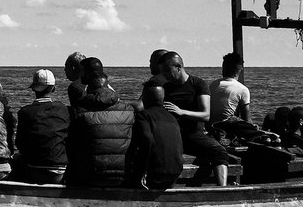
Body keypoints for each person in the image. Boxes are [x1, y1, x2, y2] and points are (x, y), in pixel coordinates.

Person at [159, 51, 231, 186]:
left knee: (219, 152)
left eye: (168, 72)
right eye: (163, 73)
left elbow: (205, 115)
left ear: (179, 67)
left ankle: (222, 189)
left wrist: (181, 112)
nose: (166, 76)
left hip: (193, 135)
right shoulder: (166, 88)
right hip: (172, 135)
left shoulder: (198, 84)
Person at [64, 57, 135, 187]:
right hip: (123, 174)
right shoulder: (128, 110)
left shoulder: (79, 109)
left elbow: (72, 145)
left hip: (90, 175)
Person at [124, 85, 184, 190]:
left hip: (155, 174)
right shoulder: (172, 118)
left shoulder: (143, 116)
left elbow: (147, 141)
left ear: (145, 99)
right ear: (162, 99)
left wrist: (141, 173)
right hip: (175, 173)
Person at [13, 69, 68, 184]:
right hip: (60, 171)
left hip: (34, 170)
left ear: (33, 88)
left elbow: (20, 144)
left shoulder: (25, 112)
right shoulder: (63, 110)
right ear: (53, 88)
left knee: (16, 158)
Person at [209, 51, 251, 125]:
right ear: (241, 69)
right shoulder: (243, 90)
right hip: (228, 128)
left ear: (224, 67)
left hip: (211, 127)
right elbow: (247, 120)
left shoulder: (213, 84)